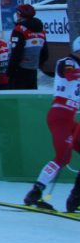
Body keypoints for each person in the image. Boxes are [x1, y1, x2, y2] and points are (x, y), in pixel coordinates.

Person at [24, 36, 80, 211]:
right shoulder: (67, 61)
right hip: (59, 115)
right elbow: (70, 74)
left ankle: (75, 199)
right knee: (62, 157)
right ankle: (35, 192)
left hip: (70, 117)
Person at [9, 4, 47, 91]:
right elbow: (45, 54)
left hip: (19, 71)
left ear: (19, 14)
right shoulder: (41, 31)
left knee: (17, 100)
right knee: (31, 99)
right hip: (33, 70)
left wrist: (10, 71)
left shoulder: (19, 30)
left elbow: (16, 53)